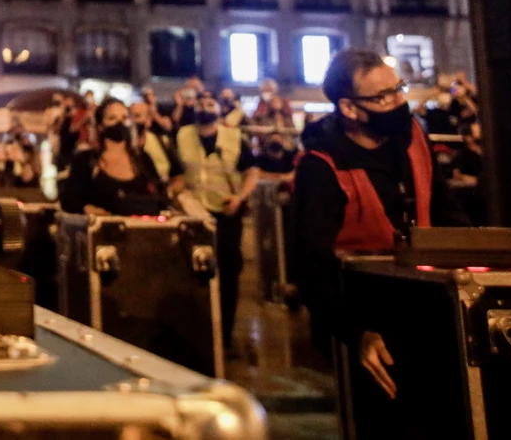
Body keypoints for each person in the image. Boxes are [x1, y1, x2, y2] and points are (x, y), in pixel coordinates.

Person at [294, 48, 454, 402]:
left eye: (398, 89)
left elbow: (445, 210)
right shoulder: (321, 166)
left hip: (432, 305)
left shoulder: (412, 136)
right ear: (350, 108)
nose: (399, 101)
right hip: (372, 320)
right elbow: (310, 266)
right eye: (384, 96)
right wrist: (356, 332)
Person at [174, 90, 259, 353]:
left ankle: (225, 333)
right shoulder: (183, 135)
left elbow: (251, 171)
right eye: (201, 103)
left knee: (227, 275)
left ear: (219, 110)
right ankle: (198, 331)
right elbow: (176, 173)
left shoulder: (234, 138)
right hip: (194, 215)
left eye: (210, 103)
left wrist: (241, 197)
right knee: (193, 272)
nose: (205, 107)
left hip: (226, 215)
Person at [61, 99, 182, 216]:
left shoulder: (142, 158)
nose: (119, 123)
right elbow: (69, 200)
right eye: (112, 118)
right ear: (100, 126)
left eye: (124, 118)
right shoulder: (86, 160)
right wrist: (86, 208)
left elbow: (159, 195)